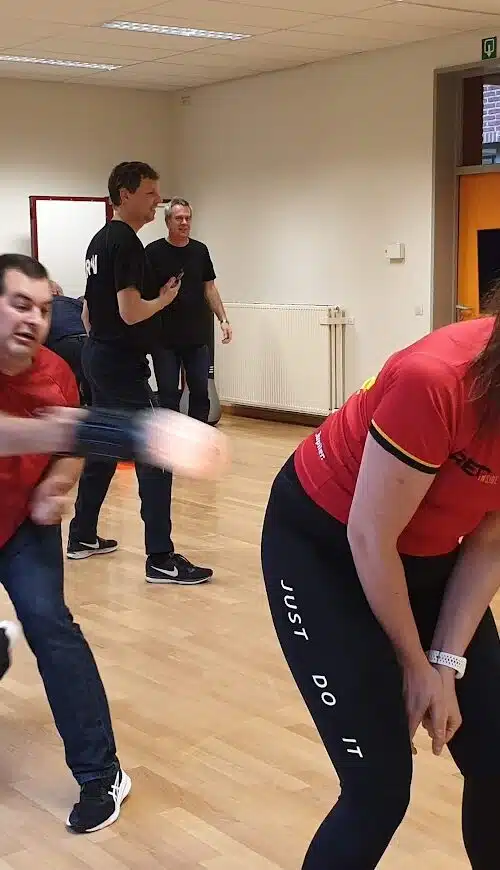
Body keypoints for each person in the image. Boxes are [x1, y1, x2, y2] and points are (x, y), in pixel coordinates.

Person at [260, 308, 500, 869]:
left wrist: (446, 664)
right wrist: (414, 666)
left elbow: (490, 540)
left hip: (427, 552)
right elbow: (370, 536)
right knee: (379, 787)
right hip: (326, 549)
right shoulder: (436, 380)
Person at [0, 252, 228, 834]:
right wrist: (116, 430)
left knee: (51, 628)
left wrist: (58, 479)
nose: (33, 319)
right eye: (19, 304)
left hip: (23, 523)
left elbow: (69, 449)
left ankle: (101, 774)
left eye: (44, 309)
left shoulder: (57, 370)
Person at [68, 164, 213, 584]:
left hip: (98, 355)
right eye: (150, 193)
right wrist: (165, 299)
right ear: (125, 194)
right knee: (156, 452)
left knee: (104, 445)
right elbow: (130, 312)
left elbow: (89, 311)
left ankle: (81, 535)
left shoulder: (99, 241)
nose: (158, 201)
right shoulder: (128, 243)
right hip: (119, 362)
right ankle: (161, 558)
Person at [147, 197, 232, 423]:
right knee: (168, 395)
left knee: (200, 393)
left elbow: (210, 288)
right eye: (179, 218)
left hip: (196, 337)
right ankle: (169, 439)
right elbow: (144, 293)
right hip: (164, 338)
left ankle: (199, 437)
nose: (184, 223)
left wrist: (223, 319)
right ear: (168, 221)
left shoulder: (200, 251)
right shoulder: (153, 252)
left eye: (187, 218)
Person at [45, 281, 91, 405]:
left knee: (70, 380)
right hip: (86, 340)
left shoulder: (44, 307)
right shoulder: (73, 302)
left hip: (60, 344)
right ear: (57, 292)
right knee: (90, 380)